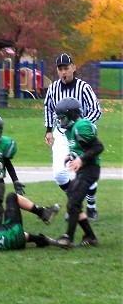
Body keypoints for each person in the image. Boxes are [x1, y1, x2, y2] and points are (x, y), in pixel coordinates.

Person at [43, 53, 101, 220]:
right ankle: (75, 202)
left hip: (80, 134)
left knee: (84, 172)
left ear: (73, 68)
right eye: (60, 69)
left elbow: (96, 110)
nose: (63, 72)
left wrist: (81, 126)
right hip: (61, 134)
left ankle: (90, 205)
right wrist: (48, 130)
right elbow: (48, 108)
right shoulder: (53, 88)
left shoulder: (84, 87)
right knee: (59, 174)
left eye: (66, 68)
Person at [53, 98, 103, 248]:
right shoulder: (70, 130)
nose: (61, 121)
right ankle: (90, 236)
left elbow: (98, 147)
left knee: (73, 203)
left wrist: (81, 159)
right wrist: (71, 156)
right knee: (72, 202)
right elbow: (80, 148)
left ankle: (68, 237)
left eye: (62, 118)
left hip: (90, 169)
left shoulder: (81, 126)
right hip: (82, 170)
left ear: (72, 114)